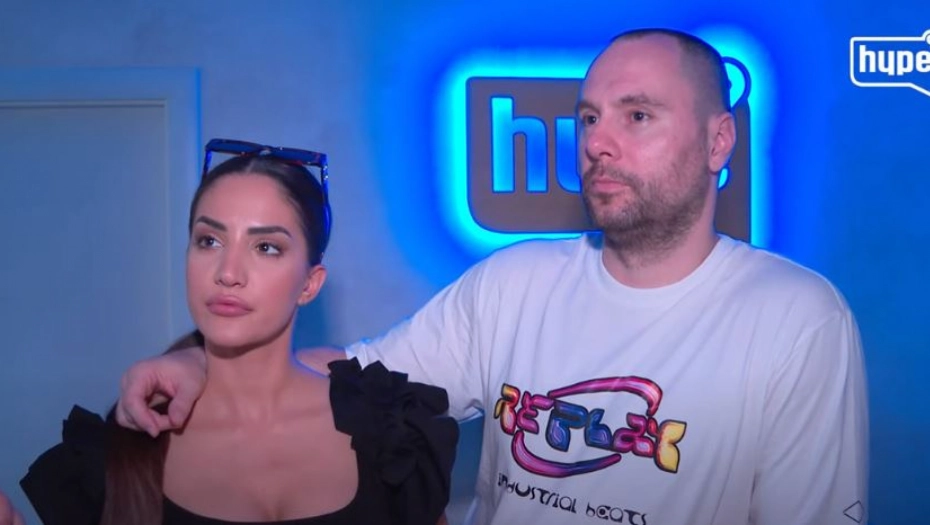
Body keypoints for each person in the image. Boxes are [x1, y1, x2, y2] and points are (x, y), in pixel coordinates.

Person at [116, 28, 869, 525]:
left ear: (718, 140)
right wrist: (200, 362)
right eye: (589, 118)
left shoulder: (796, 318)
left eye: (637, 116)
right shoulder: (515, 282)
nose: (598, 142)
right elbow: (352, 379)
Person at [18, 139, 458, 525]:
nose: (227, 272)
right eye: (209, 241)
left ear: (310, 284)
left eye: (266, 247)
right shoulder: (125, 443)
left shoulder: (389, 431)